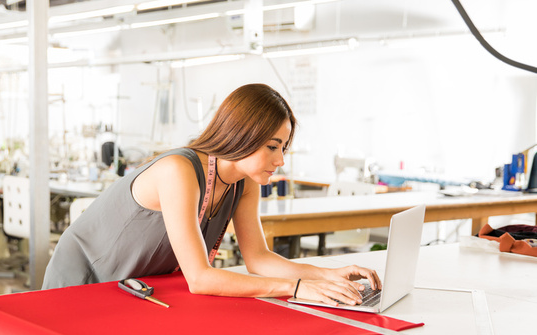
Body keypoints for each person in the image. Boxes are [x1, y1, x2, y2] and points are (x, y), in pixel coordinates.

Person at [43, 83, 381, 306]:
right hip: (84, 281)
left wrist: (327, 275)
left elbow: (258, 259)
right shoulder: (179, 170)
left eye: (284, 148)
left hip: (134, 286)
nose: (280, 160)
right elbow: (200, 278)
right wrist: (294, 288)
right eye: (272, 147)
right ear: (242, 136)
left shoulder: (243, 183)